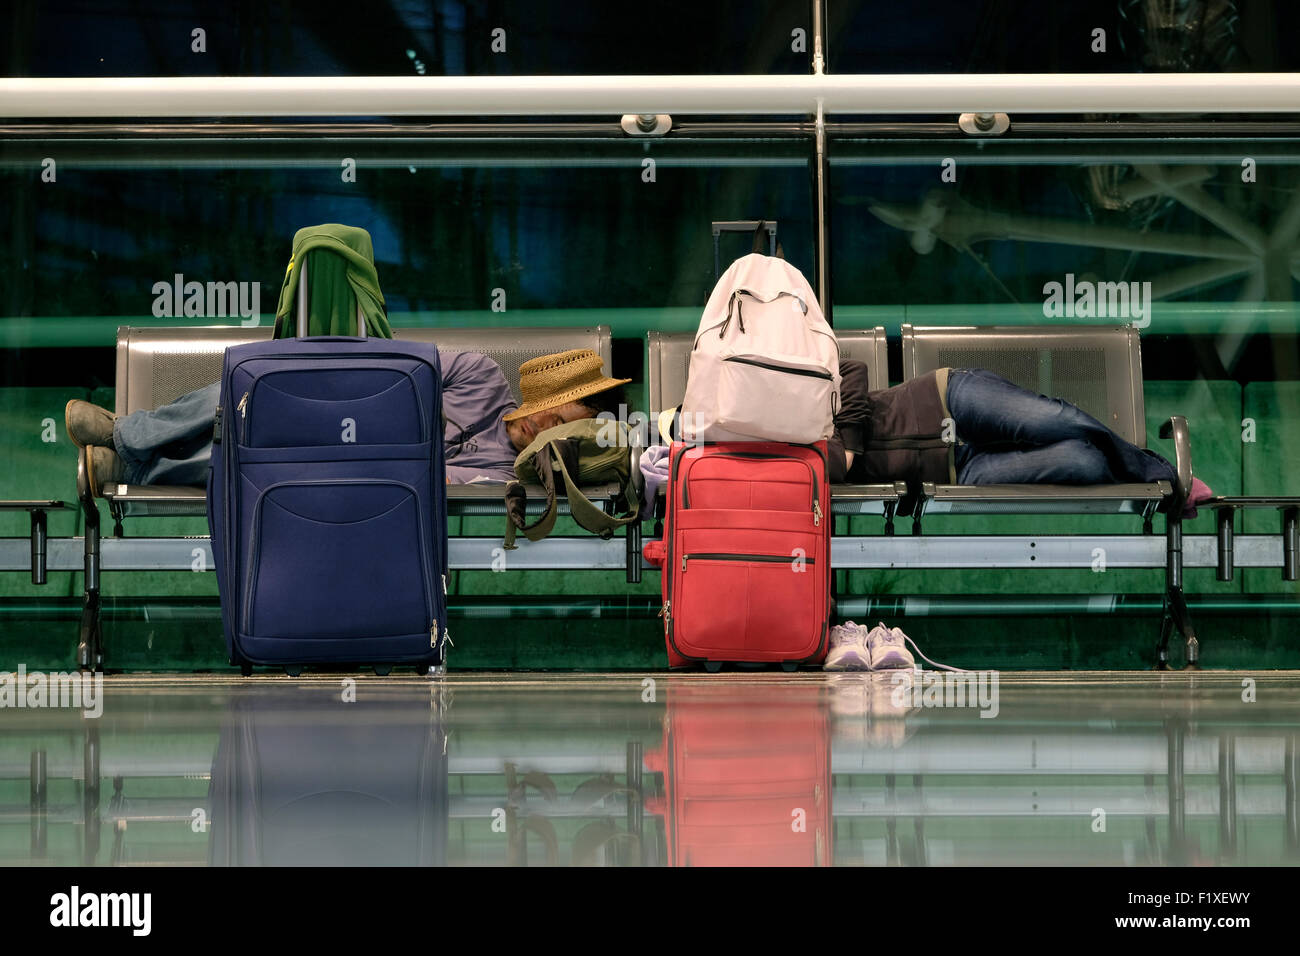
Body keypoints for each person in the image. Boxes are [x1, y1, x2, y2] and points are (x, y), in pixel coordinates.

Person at [658, 360, 1211, 510]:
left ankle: (1165, 476)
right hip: (954, 472)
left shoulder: (777, 394)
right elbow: (824, 472)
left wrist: (848, 444)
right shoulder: (767, 459)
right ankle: (1159, 479)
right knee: (1086, 465)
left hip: (946, 401)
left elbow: (850, 372)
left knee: (1057, 421)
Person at [66, 347, 630, 494]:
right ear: (535, 396)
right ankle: (125, 436)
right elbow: (396, 370)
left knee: (267, 469)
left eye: (559, 428)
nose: (544, 426)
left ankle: (126, 469)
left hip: (351, 477)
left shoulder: (506, 478)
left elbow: (422, 483)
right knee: (248, 384)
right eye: (549, 411)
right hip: (347, 411)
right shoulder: (481, 376)